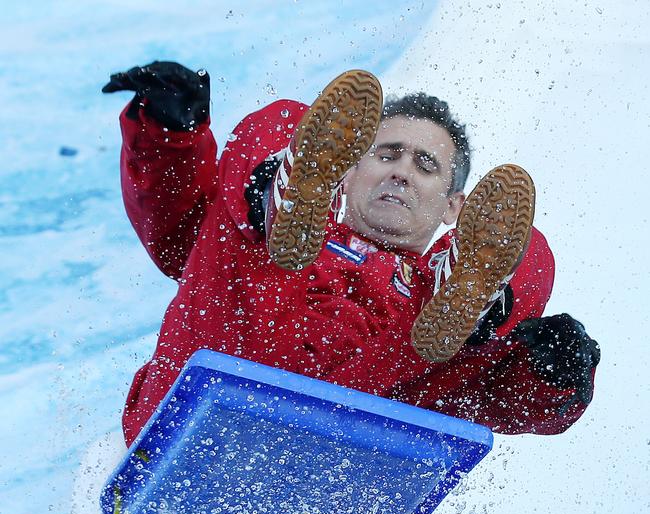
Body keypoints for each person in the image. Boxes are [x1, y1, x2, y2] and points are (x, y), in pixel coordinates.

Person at [102, 64, 600, 446]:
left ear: (455, 208)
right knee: (283, 118)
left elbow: (506, 400)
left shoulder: (429, 313)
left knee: (530, 253)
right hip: (208, 385)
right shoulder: (257, 238)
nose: (401, 172)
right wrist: (167, 132)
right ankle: (274, 194)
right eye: (386, 154)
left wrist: (556, 372)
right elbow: (176, 236)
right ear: (345, 170)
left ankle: (484, 302)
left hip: (346, 436)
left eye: (425, 165)